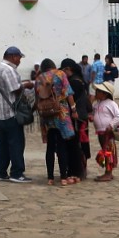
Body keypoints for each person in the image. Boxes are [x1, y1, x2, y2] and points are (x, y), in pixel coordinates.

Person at [0, 45, 32, 183]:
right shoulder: (8, 70)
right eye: (19, 57)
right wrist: (27, 85)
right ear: (13, 56)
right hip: (11, 112)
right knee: (16, 143)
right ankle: (17, 172)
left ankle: (0, 171)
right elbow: (15, 89)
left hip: (0, 112)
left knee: (2, 144)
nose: (20, 61)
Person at [35, 59, 75, 187]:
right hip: (60, 112)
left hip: (47, 114)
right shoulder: (60, 74)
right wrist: (73, 109)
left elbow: (37, 96)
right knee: (62, 145)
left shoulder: (39, 78)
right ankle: (63, 177)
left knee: (50, 147)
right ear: (53, 65)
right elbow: (68, 93)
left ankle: (50, 178)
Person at [92, 81, 119, 181]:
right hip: (100, 132)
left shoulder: (111, 104)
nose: (95, 93)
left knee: (108, 152)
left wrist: (111, 125)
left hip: (108, 132)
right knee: (104, 151)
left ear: (104, 93)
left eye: (98, 91)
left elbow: (118, 116)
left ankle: (108, 173)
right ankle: (107, 171)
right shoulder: (97, 105)